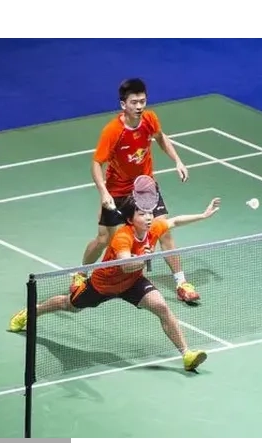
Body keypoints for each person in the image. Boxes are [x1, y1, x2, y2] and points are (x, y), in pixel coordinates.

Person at [8, 196, 222, 372]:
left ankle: (186, 355)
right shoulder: (123, 237)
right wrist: (145, 257)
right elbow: (126, 265)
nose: (148, 217)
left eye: (149, 213)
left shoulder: (153, 228)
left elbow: (174, 222)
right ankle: (32, 312)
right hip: (103, 285)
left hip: (132, 283)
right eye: (142, 214)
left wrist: (203, 215)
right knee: (69, 305)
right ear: (130, 219)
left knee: (161, 307)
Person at [73, 77, 200, 304]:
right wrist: (103, 192)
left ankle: (181, 282)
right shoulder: (113, 131)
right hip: (117, 192)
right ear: (124, 104)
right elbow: (96, 163)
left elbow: (161, 138)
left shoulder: (150, 119)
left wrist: (178, 161)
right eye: (134, 102)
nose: (139, 106)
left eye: (142, 101)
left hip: (144, 187)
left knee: (164, 231)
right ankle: (81, 274)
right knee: (103, 239)